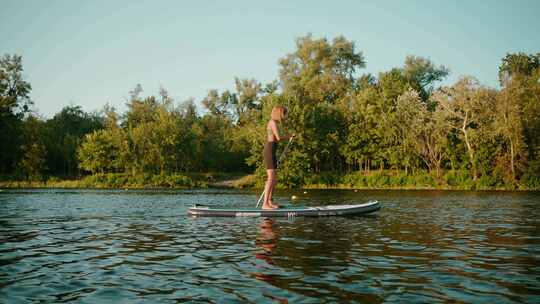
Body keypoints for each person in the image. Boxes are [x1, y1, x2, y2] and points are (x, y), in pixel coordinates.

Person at [262, 105, 293, 210]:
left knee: (274, 178)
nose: (285, 116)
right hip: (269, 150)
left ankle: (270, 201)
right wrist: (289, 136)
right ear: (279, 113)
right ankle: (265, 204)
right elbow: (278, 138)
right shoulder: (272, 122)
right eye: (284, 113)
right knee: (271, 177)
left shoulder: (275, 123)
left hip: (272, 150)